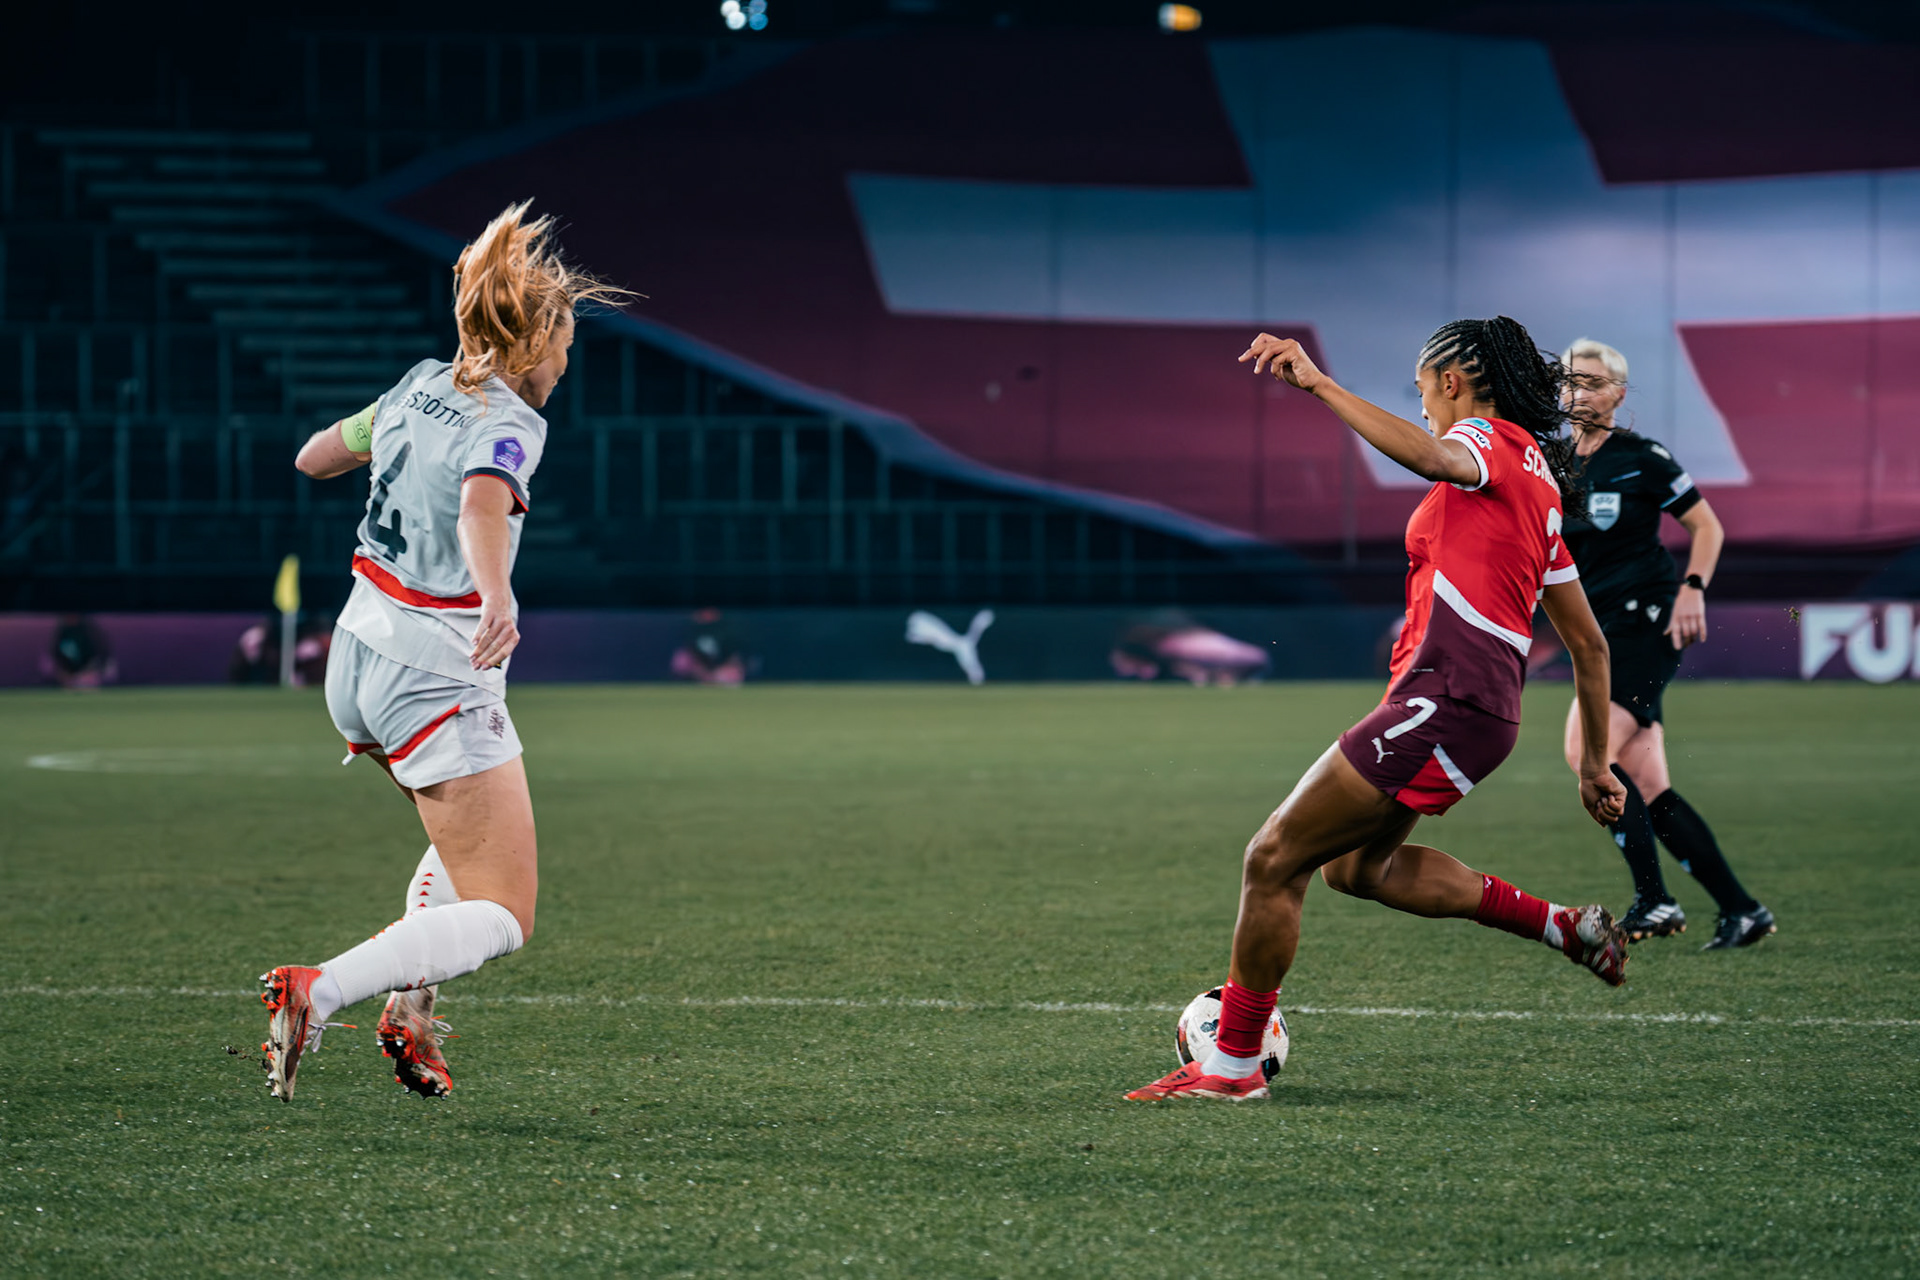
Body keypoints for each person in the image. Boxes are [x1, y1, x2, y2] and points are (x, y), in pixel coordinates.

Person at [1127, 317, 1630, 1103]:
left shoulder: (1485, 443)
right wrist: (1595, 765)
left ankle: (1232, 1068)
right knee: (1358, 869)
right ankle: (1560, 925)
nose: (1423, 404)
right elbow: (1590, 647)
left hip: (1445, 699)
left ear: (1452, 382)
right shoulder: (1538, 490)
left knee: (1272, 859)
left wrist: (1319, 384)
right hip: (1475, 711)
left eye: (1423, 388)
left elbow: (1433, 454)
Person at [257, 202, 631, 1101]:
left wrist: (382, 439)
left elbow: (314, 457)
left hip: (358, 655)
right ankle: (319, 991)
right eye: (564, 346)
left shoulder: (417, 385)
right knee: (505, 911)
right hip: (432, 671)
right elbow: (481, 503)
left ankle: (410, 1011)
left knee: (467, 842)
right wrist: (497, 592)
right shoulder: (512, 420)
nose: (565, 364)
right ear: (532, 344)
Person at [1557, 338, 1774, 950]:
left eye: (1593, 382)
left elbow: (1706, 525)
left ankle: (1654, 900)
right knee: (1648, 786)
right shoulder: (1551, 461)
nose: (1578, 391)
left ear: (1618, 394)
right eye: (1570, 381)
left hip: (1645, 621)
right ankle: (1742, 911)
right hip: (1598, 630)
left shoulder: (1641, 457)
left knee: (1586, 752)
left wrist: (1692, 588)